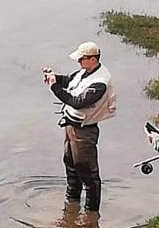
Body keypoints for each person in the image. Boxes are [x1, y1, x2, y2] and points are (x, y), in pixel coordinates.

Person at [42, 41, 116, 212]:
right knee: (70, 163)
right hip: (71, 125)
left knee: (87, 172)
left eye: (81, 59)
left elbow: (77, 102)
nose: (78, 62)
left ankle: (91, 214)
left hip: (85, 130)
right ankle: (71, 202)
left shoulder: (100, 82)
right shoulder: (85, 71)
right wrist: (56, 77)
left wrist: (54, 86)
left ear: (92, 59)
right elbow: (69, 81)